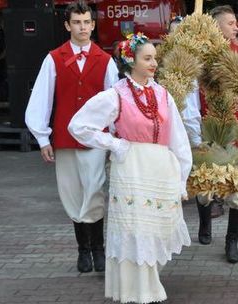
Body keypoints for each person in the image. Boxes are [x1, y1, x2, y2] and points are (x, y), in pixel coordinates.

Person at [68, 32, 192, 304]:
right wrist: (114, 143)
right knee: (135, 230)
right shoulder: (116, 95)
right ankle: (137, 290)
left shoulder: (162, 94)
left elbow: (179, 140)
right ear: (130, 61)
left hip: (159, 168)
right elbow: (78, 126)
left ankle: (148, 283)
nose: (153, 63)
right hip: (132, 168)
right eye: (147, 58)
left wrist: (182, 176)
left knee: (156, 230)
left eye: (155, 58)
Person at [25, 1, 119, 273]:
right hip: (65, 139)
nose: (82, 27)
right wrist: (43, 138)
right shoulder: (53, 58)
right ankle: (83, 250)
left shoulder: (105, 60)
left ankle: (98, 249)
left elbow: (115, 103)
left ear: (92, 24)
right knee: (71, 193)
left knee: (94, 191)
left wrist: (114, 139)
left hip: (94, 139)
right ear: (67, 25)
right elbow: (41, 99)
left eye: (86, 22)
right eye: (76, 22)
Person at [183, 5, 238, 264]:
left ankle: (232, 241)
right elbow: (189, 99)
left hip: (237, 132)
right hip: (209, 130)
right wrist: (195, 133)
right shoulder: (197, 58)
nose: (236, 27)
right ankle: (205, 225)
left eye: (236, 23)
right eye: (231, 23)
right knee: (204, 186)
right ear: (216, 26)